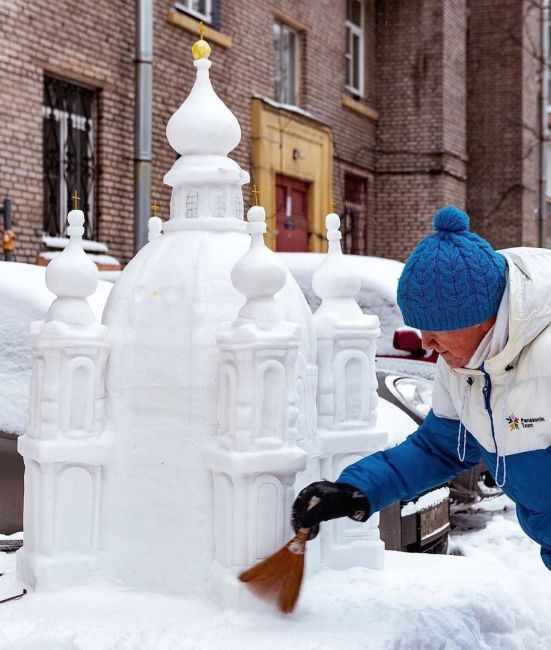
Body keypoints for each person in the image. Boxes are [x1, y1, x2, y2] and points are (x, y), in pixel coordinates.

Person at [292, 205, 551, 570]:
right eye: (420, 330)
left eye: (436, 329)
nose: (427, 344)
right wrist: (355, 491)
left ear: (481, 317)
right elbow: (438, 448)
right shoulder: (465, 363)